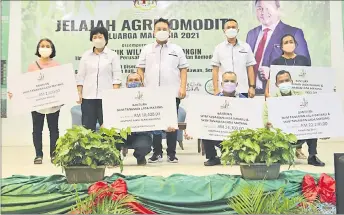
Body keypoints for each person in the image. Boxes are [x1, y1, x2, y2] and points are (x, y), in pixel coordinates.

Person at [136, 18, 189, 163]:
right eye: (158, 29)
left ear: (169, 31)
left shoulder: (176, 49)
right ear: (153, 32)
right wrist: (141, 83)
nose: (162, 31)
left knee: (171, 123)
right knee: (156, 123)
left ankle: (171, 153)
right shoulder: (147, 49)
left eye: (164, 29)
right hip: (152, 93)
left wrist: (183, 87)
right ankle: (157, 153)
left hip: (172, 93)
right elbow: (140, 67)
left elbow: (184, 69)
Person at [8, 38, 61, 164]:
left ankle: (54, 155)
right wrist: (15, 94)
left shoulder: (57, 65)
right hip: (37, 105)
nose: (45, 48)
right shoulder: (32, 66)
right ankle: (38, 155)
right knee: (37, 130)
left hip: (54, 105)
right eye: (42, 45)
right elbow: (27, 86)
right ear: (38, 48)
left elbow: (61, 84)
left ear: (52, 49)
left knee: (54, 130)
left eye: (47, 46)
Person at [246, 0, 311, 95]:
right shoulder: (251, 34)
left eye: (268, 8)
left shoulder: (294, 33)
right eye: (260, 8)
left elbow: (305, 67)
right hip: (251, 93)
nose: (263, 12)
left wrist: (274, 74)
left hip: (278, 94)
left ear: (278, 9)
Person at [263, 70, 325, 166]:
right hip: (281, 136)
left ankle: (312, 156)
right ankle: (277, 156)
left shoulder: (301, 96)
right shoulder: (271, 100)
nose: (284, 83)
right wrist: (267, 123)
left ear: (292, 81)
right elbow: (265, 119)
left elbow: (311, 112)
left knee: (313, 126)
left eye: (287, 80)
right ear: (276, 84)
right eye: (281, 81)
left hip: (299, 133)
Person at [265, 34, 311, 159]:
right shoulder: (276, 62)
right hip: (282, 98)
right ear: (281, 46)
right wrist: (268, 95)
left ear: (295, 43)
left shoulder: (304, 60)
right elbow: (270, 80)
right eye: (286, 42)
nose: (289, 44)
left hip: (299, 97)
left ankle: (300, 150)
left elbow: (311, 78)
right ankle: (283, 151)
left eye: (291, 41)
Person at [76, 26, 122, 131]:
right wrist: (79, 93)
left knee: (108, 129)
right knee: (87, 129)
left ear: (105, 39)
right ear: (91, 39)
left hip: (106, 98)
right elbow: (80, 76)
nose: (97, 39)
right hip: (88, 97)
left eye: (100, 37)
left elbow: (117, 77)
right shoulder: (86, 55)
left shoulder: (112, 55)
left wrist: (114, 95)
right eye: (95, 37)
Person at [211, 18, 256, 98]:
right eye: (228, 27)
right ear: (224, 30)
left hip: (243, 89)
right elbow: (215, 70)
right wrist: (215, 89)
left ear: (237, 30)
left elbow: (250, 68)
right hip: (224, 91)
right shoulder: (218, 48)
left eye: (233, 27)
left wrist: (252, 87)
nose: (231, 29)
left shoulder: (246, 47)